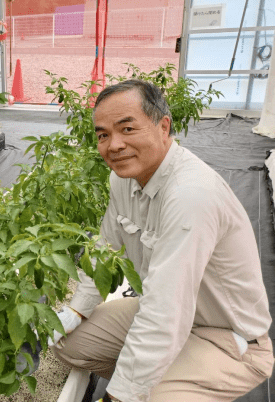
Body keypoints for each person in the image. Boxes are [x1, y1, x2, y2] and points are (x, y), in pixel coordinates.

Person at [50, 80, 273, 401]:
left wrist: (122, 393)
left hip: (227, 339)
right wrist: (78, 309)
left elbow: (166, 311)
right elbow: (105, 246)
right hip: (166, 312)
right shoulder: (123, 179)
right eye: (103, 135)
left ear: (163, 126)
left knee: (143, 393)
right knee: (71, 344)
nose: (113, 145)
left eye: (127, 129)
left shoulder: (190, 195)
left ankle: (177, 383)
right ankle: (170, 374)